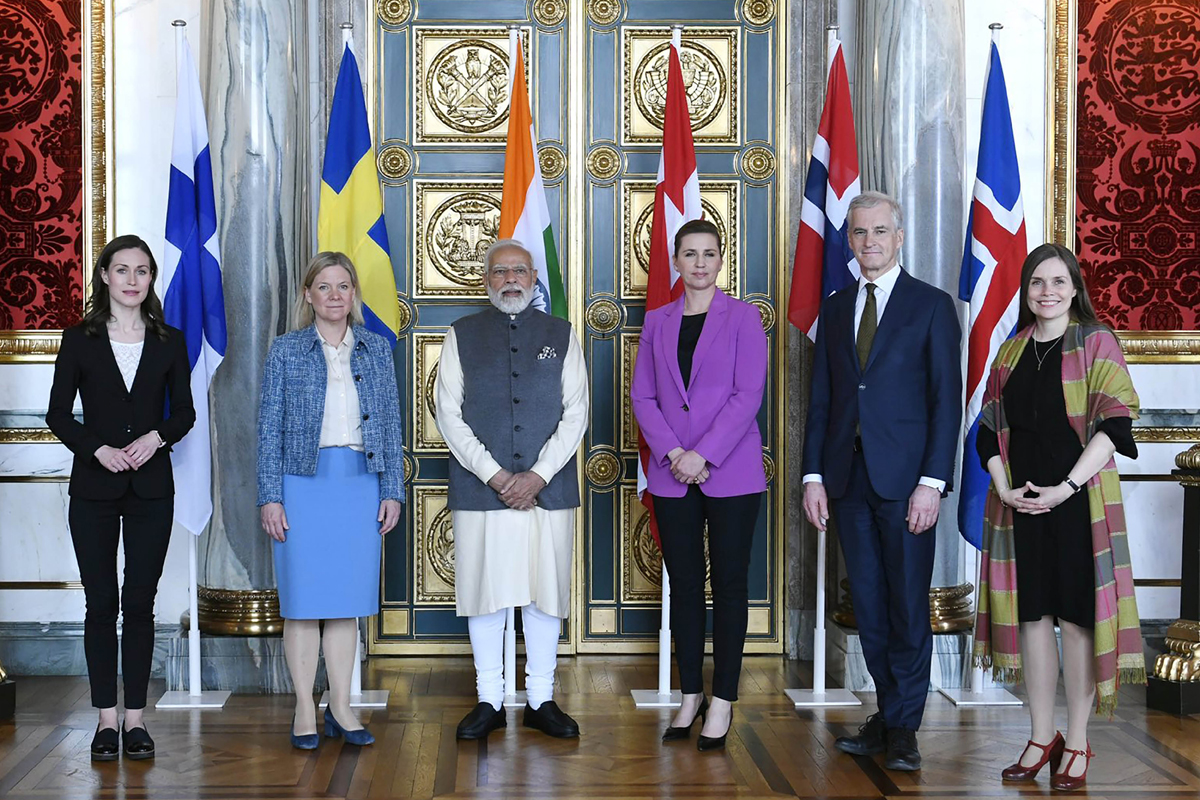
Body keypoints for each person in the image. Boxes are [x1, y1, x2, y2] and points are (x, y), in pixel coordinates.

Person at [974, 243, 1144, 791]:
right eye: (1036, 283)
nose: (1046, 292)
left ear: (1075, 288)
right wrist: (1005, 487)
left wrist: (1064, 489)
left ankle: (1076, 740)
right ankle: (1039, 734)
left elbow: (1114, 429)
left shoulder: (1096, 342)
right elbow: (987, 430)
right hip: (1019, 506)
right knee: (1032, 620)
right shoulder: (1011, 350)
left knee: (1074, 620)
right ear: (1025, 292)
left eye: (1057, 282)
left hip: (1076, 507)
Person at [801, 191, 961, 771]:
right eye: (860, 233)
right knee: (868, 605)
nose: (869, 243)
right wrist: (814, 475)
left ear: (899, 237)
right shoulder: (838, 307)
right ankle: (888, 714)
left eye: (879, 232)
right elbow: (823, 400)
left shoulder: (932, 306)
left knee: (907, 608)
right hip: (847, 480)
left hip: (907, 484)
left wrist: (933, 482)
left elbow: (946, 403)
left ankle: (904, 728)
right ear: (850, 239)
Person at [46, 235, 196, 761]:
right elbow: (59, 415)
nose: (133, 280)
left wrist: (157, 437)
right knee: (100, 604)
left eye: (143, 272)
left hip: (152, 489)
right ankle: (105, 721)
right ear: (105, 276)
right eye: (123, 270)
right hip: (94, 489)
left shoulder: (169, 340)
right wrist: (97, 450)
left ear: (151, 280)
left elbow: (184, 413)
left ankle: (136, 721)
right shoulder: (79, 339)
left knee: (139, 604)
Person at [434, 239, 588, 741]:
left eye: (519, 270)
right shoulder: (461, 335)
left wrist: (538, 475)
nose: (510, 279)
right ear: (486, 280)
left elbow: (577, 412)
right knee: (486, 594)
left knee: (545, 594)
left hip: (549, 489)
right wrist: (496, 475)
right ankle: (490, 699)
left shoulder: (561, 334)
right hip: (483, 492)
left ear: (534, 275)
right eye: (500, 272)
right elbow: (448, 415)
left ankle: (541, 698)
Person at [257, 252, 405, 749]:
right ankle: (304, 707)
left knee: (345, 604)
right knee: (302, 604)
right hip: (302, 484)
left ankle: (341, 707)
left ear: (354, 294)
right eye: (324, 287)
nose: (335, 295)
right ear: (308, 294)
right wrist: (271, 497)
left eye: (344, 286)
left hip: (359, 482)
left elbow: (390, 424)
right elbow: (267, 430)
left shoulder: (376, 349)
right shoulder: (286, 350)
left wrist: (391, 490)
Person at [630, 219, 768, 751]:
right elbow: (643, 397)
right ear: (676, 260)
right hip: (671, 475)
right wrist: (673, 454)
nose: (701, 262)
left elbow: (747, 394)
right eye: (690, 254)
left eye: (709, 253)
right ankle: (691, 696)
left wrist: (702, 455)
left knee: (730, 587)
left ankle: (724, 700)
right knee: (684, 588)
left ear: (720, 259)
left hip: (730, 473)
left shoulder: (743, 318)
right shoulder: (660, 321)